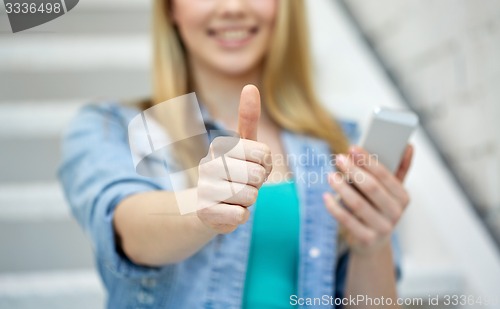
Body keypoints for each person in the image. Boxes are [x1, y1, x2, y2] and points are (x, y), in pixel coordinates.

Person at [59, 0, 414, 308]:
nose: (231, 7)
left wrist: (372, 244)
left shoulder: (339, 146)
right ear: (170, 8)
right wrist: (200, 209)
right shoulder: (114, 128)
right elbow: (126, 226)